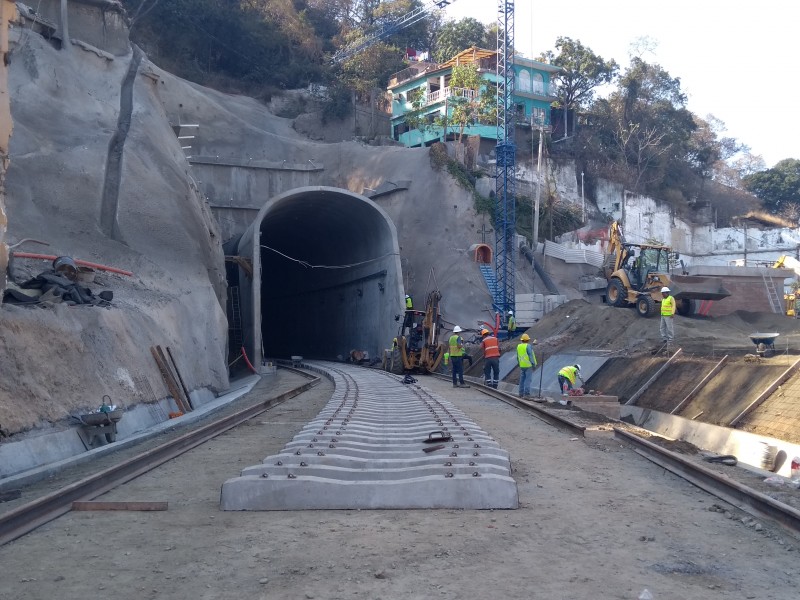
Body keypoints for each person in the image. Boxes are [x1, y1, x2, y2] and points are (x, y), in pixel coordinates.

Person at [516, 333, 537, 398]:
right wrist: (533, 364)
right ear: (528, 340)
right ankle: (527, 393)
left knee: (522, 380)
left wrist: (519, 364)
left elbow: (517, 357)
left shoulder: (518, 346)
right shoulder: (528, 346)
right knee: (528, 379)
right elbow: (530, 356)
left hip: (522, 365)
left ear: (522, 340)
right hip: (528, 365)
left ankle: (520, 393)